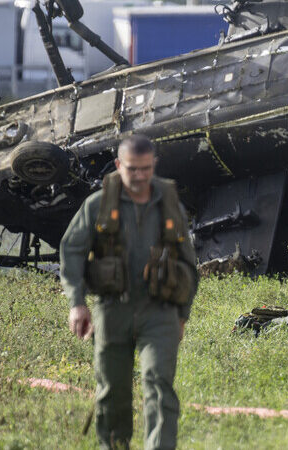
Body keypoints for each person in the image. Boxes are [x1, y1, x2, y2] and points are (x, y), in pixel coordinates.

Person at [60, 135, 198, 448]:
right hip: (112, 310)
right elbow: (72, 250)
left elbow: (188, 261)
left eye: (146, 169)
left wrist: (182, 315)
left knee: (160, 385)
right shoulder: (98, 204)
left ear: (154, 166)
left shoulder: (168, 203)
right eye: (132, 169)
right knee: (112, 391)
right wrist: (77, 304)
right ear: (119, 165)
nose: (139, 176)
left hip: (159, 311)